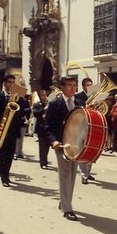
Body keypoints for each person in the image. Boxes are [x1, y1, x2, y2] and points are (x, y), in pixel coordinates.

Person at [45, 76, 84, 221]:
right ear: (62, 87)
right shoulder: (55, 103)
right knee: (65, 175)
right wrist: (54, 141)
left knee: (73, 175)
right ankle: (68, 209)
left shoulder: (80, 103)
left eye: (74, 85)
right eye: (69, 85)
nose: (73, 88)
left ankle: (64, 202)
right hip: (62, 145)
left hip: (77, 145)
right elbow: (47, 126)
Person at [0, 74, 30, 187]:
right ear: (4, 83)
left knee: (10, 154)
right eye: (9, 82)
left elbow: (24, 111)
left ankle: (6, 174)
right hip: (1, 129)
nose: (11, 84)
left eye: (13, 82)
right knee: (1, 154)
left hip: (13, 130)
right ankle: (4, 177)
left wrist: (19, 111)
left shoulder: (18, 98)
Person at [32, 89, 50, 169]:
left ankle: (45, 160)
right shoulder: (37, 104)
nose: (44, 97)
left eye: (45, 95)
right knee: (42, 146)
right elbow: (35, 113)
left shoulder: (49, 104)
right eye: (42, 95)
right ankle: (43, 162)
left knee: (47, 146)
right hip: (40, 128)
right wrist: (43, 110)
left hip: (48, 128)